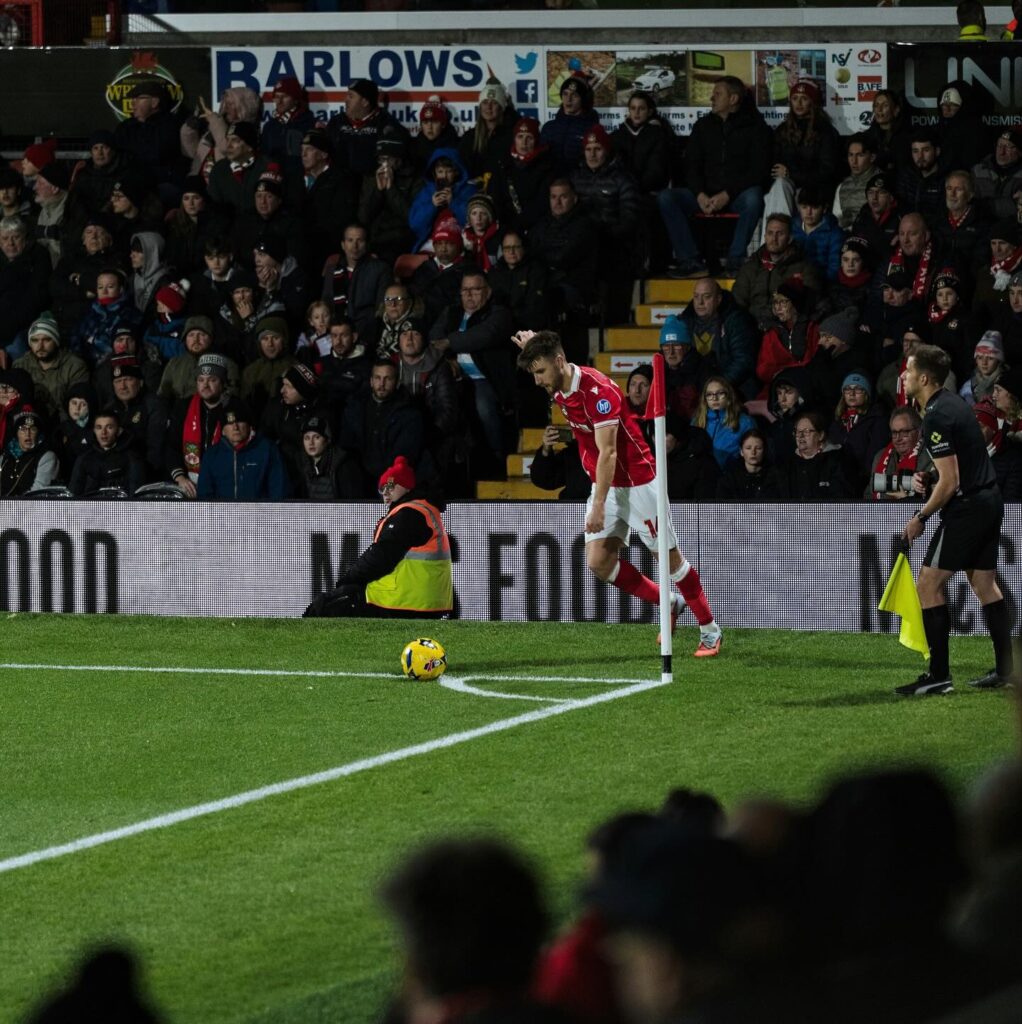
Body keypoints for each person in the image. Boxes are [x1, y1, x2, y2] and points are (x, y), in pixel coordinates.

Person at [515, 330, 722, 655]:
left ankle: (710, 630)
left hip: (639, 484)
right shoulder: (558, 382)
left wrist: (597, 505)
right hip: (606, 483)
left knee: (670, 563)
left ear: (558, 362)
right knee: (598, 561)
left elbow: (609, 453)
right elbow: (547, 352)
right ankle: (669, 603)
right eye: (533, 373)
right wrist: (532, 346)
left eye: (540, 371)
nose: (538, 380)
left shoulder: (599, 392)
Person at [898, 343, 1015, 695]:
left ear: (923, 377)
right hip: (989, 499)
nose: (903, 376)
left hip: (969, 507)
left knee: (927, 585)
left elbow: (951, 483)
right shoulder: (952, 403)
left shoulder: (936, 414)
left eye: (908, 370)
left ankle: (939, 677)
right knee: (984, 585)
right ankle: (1007, 671)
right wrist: (931, 477)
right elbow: (954, 467)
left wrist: (920, 516)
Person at [303, 455, 453, 619]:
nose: (386, 492)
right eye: (382, 488)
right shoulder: (424, 510)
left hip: (404, 600)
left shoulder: (408, 514)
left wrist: (348, 580)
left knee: (326, 606)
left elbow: (380, 557)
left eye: (390, 486)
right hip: (424, 600)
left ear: (406, 486)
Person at [657, 75, 771, 277]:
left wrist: (727, 194)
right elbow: (690, 166)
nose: (712, 98)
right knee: (667, 198)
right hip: (703, 196)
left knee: (754, 198)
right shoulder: (702, 126)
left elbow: (758, 171)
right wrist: (700, 194)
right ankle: (690, 261)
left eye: (718, 94)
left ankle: (735, 261)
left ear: (733, 99)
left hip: (736, 196)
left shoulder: (756, 128)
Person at [197, 396, 290, 500]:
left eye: (240, 422)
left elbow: (279, 490)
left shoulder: (267, 450)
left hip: (260, 514)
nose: (235, 427)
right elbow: (204, 494)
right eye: (230, 423)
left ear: (249, 426)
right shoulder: (212, 455)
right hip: (223, 515)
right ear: (223, 430)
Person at [68, 408, 145, 496]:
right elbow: (73, 494)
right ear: (94, 430)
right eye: (99, 427)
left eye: (109, 427)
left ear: (119, 430)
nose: (103, 432)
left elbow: (136, 496)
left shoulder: (131, 458)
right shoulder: (84, 458)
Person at [870, 406, 932, 501]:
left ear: (919, 432)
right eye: (894, 433)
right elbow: (869, 493)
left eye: (904, 432)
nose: (898, 438)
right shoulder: (880, 457)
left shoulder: (930, 457)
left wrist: (906, 500)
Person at [0, 410, 59, 496]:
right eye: (23, 429)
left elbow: (38, 492)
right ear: (16, 433)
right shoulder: (5, 457)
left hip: (30, 507)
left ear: (38, 433)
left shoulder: (46, 457)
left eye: (33, 429)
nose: (28, 434)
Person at [716, 427, 779, 501]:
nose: (753, 452)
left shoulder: (776, 477)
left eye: (758, 448)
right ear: (741, 452)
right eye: (748, 448)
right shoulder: (729, 478)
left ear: (764, 451)